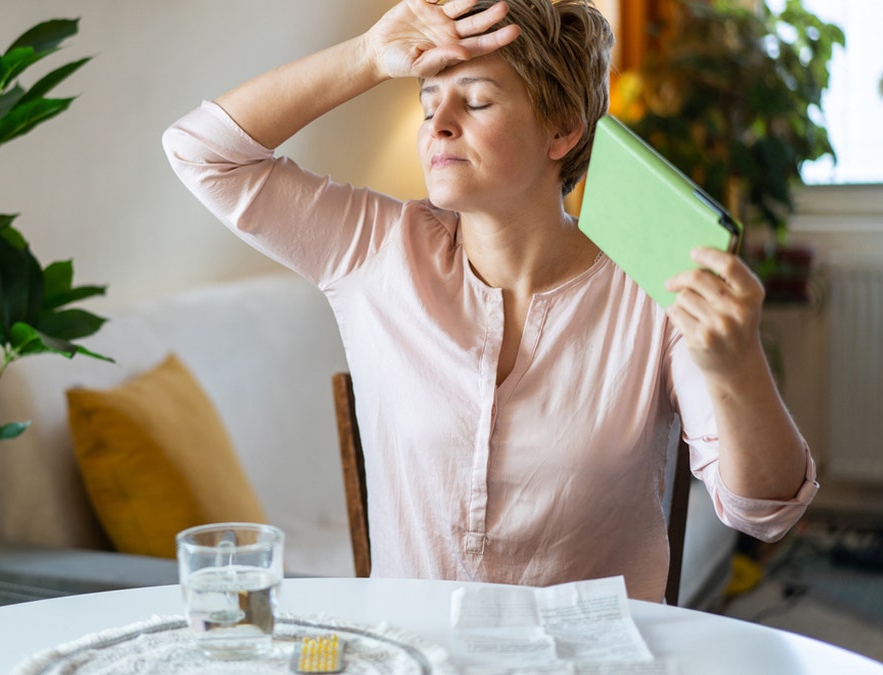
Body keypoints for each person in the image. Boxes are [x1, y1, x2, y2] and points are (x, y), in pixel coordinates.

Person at [162, 0, 817, 602]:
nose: (438, 126)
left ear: (561, 129)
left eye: (474, 102)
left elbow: (763, 508)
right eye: (426, 105)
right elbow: (201, 154)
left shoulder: (651, 291)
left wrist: (738, 368)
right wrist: (365, 55)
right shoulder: (375, 251)